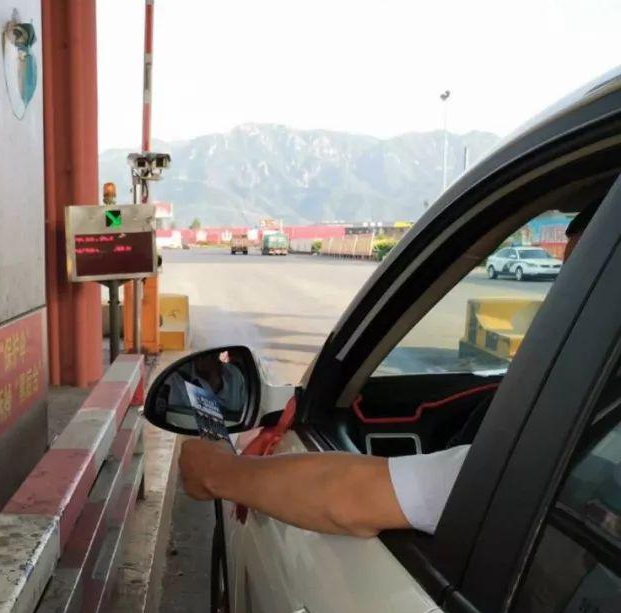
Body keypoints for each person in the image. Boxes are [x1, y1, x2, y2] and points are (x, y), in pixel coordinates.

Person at [176, 202, 600, 537]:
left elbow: (351, 499)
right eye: (568, 286)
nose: (563, 308)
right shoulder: (588, 427)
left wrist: (218, 472)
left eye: (587, 288)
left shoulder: (542, 461)